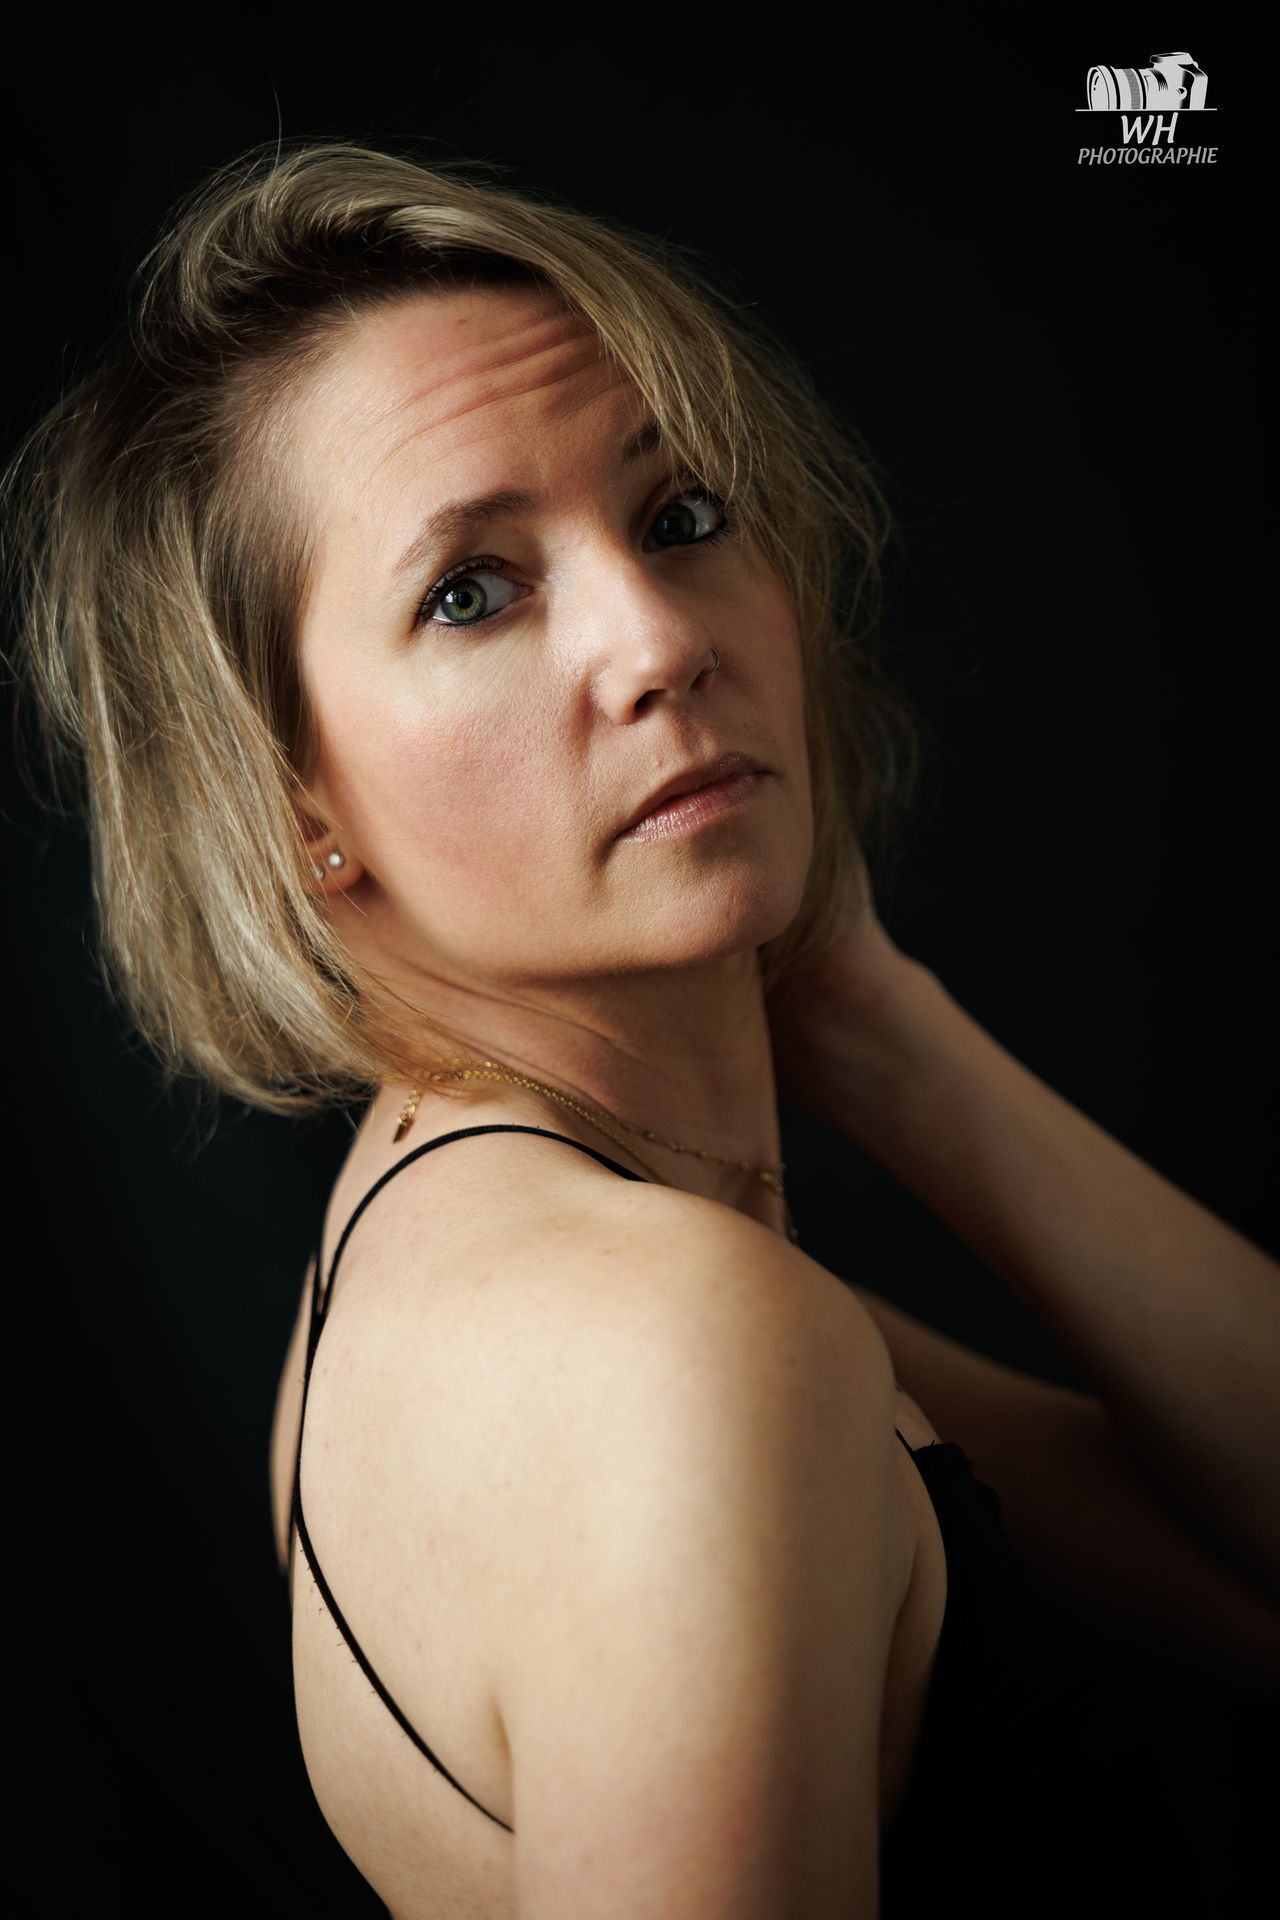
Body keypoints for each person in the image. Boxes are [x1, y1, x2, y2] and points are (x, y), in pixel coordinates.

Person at [3, 138, 1276, 1919]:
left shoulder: (472, 1262)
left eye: (680, 517)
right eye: (471, 589)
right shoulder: (671, 1348)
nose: (658, 636)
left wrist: (874, 1023)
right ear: (293, 803)